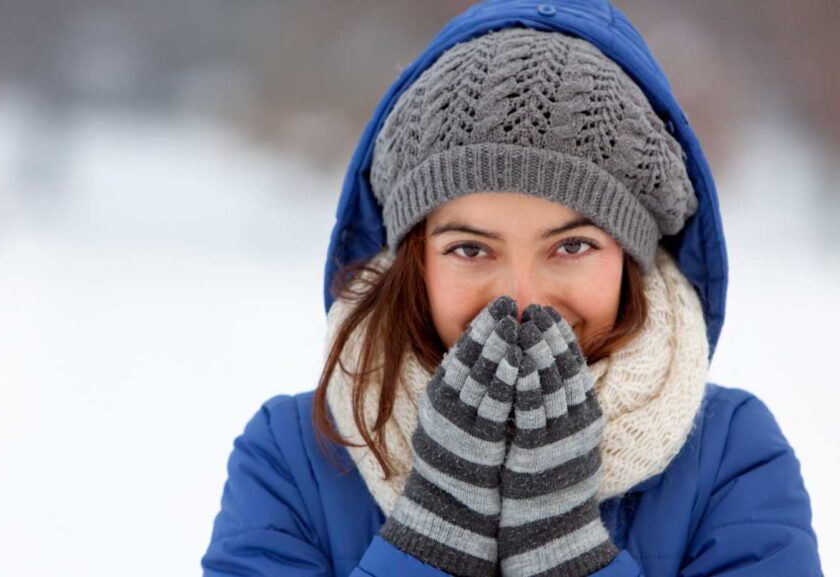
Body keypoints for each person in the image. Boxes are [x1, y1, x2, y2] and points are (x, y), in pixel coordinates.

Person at [201, 1, 823, 576]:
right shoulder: (293, 457)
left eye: (572, 246)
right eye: (470, 249)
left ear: (632, 261)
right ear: (413, 262)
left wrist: (570, 554)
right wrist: (431, 542)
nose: (522, 300)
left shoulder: (730, 457)